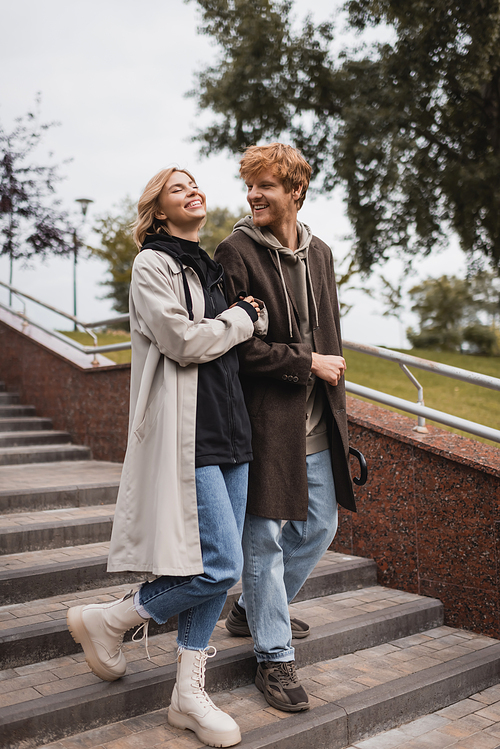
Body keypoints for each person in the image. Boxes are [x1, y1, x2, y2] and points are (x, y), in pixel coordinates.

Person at [66, 166, 266, 748]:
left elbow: (242, 328)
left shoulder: (210, 266)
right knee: (220, 566)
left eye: (196, 183)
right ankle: (112, 618)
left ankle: (187, 695)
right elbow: (182, 341)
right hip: (189, 434)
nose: (193, 191)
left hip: (232, 429)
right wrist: (242, 320)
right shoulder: (152, 264)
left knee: (200, 568)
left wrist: (247, 318)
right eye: (179, 188)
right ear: (158, 211)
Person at [214, 143, 357, 713]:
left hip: (319, 421)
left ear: (295, 190)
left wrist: (334, 394)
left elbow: (333, 337)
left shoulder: (319, 252)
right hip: (264, 425)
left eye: (266, 186)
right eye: (249, 186)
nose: (253, 196)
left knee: (321, 526)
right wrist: (307, 363)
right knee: (265, 540)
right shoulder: (233, 252)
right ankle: (273, 659)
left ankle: (252, 609)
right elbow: (234, 347)